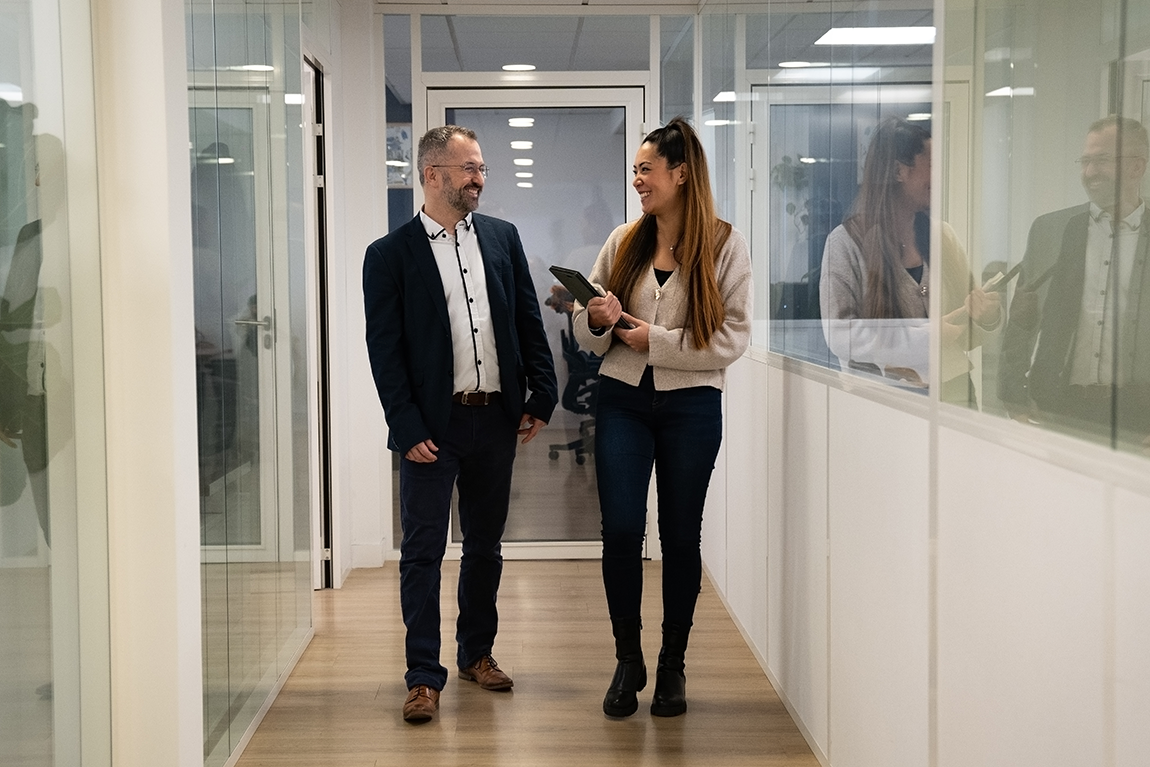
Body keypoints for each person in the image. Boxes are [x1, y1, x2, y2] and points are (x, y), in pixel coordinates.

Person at [362, 125, 558, 722]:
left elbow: (526, 320)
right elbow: (385, 352)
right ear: (432, 174)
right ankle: (423, 675)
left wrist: (542, 393)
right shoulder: (389, 255)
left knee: (485, 546)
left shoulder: (501, 238)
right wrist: (405, 425)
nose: (479, 178)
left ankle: (476, 653)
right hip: (432, 428)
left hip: (495, 419)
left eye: (481, 169)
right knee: (422, 552)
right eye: (468, 168)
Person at [572, 117, 752, 718]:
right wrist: (595, 318)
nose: (637, 180)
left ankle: (673, 664)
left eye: (646, 169)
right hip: (622, 399)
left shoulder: (724, 245)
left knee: (680, 537)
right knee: (622, 530)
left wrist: (658, 341)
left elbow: (733, 337)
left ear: (681, 174)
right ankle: (629, 659)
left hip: (692, 405)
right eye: (636, 170)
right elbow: (586, 329)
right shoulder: (623, 240)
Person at [819, 116, 1001, 401]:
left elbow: (967, 328)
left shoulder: (943, 236)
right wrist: (927, 337)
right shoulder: (845, 243)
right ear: (898, 171)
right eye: (932, 166)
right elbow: (840, 336)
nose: (939, 176)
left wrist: (987, 318)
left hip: (954, 392)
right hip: (883, 400)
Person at [998, 115, 1150, 446]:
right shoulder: (1050, 230)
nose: (1090, 172)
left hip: (1140, 418)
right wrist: (1013, 396)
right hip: (1059, 409)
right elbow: (1022, 320)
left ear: (1137, 167)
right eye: (1085, 161)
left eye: (1103, 160)